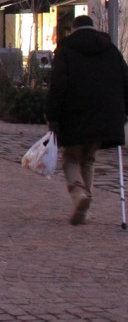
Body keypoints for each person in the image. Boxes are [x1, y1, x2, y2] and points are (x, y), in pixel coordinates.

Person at [47, 14, 128, 225]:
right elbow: (125, 81)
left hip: (74, 115)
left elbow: (58, 87)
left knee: (71, 159)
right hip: (105, 116)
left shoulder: (65, 51)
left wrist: (52, 117)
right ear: (93, 28)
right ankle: (84, 207)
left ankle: (79, 195)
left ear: (73, 30)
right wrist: (123, 112)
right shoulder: (111, 50)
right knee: (89, 159)